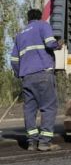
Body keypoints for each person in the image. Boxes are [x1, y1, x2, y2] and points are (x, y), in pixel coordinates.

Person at [10, 8, 62, 152]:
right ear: (40, 17)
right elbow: (50, 43)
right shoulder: (43, 25)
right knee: (48, 108)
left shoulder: (20, 35)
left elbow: (14, 60)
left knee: (29, 110)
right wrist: (59, 44)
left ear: (28, 19)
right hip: (43, 74)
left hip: (27, 77)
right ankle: (45, 142)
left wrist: (19, 74)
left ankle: (32, 142)